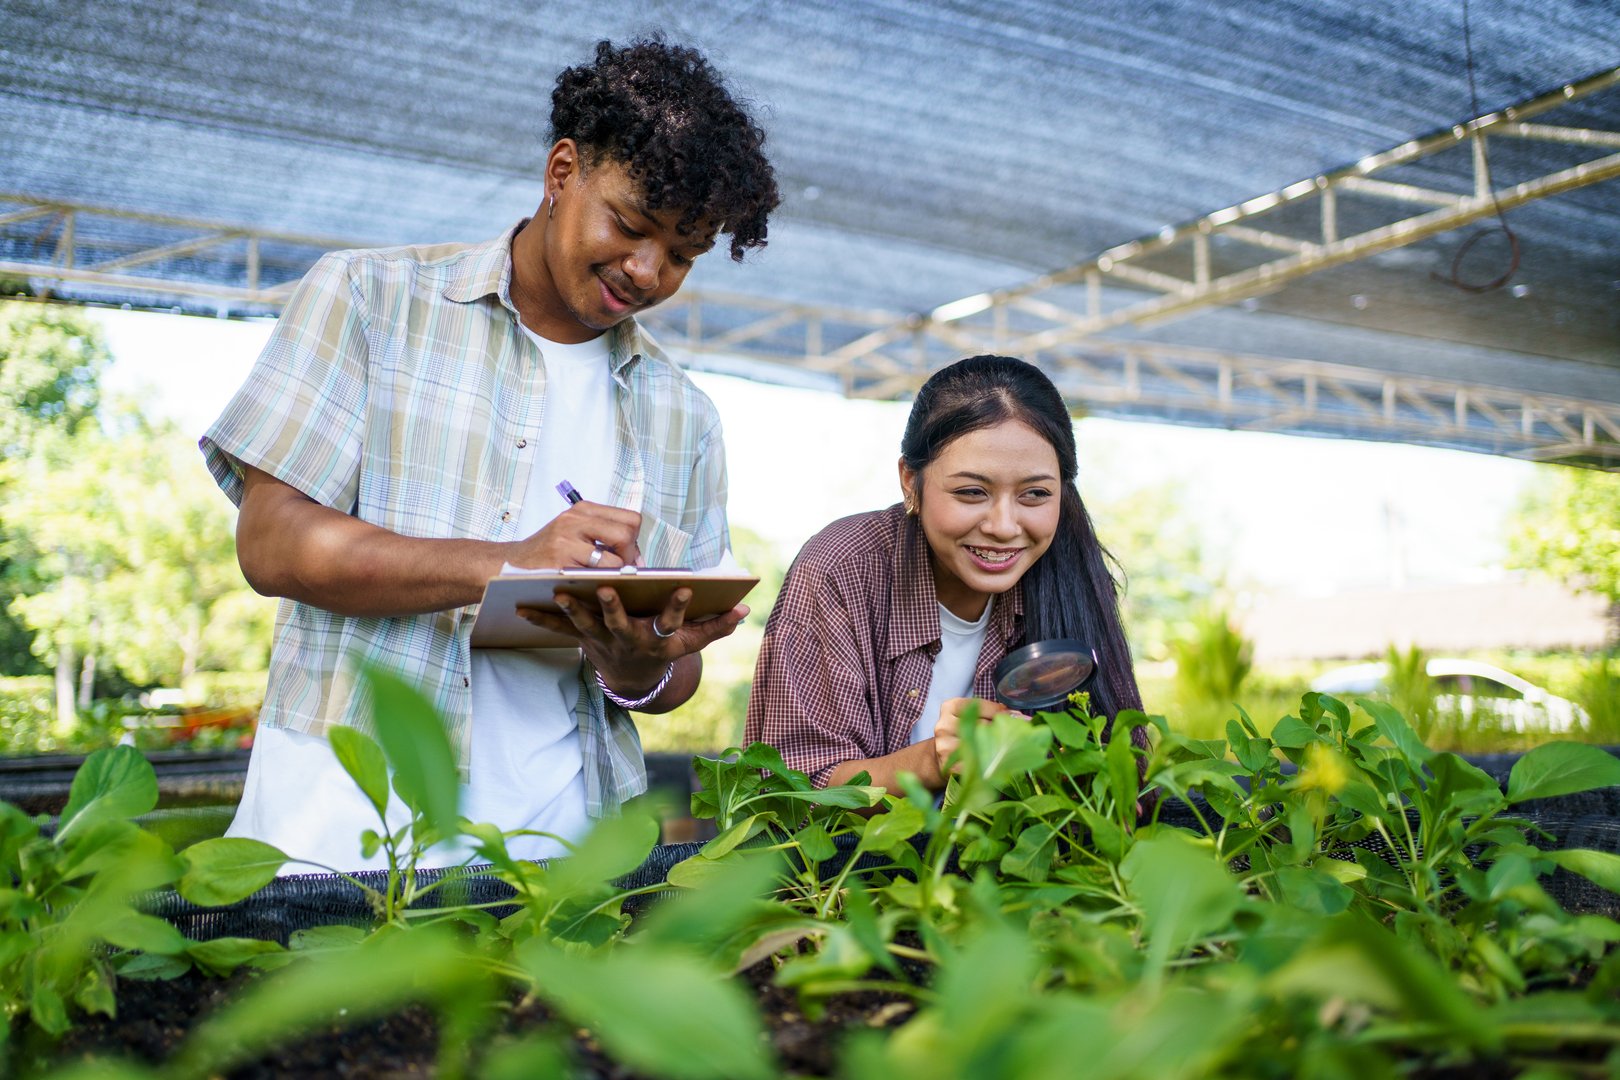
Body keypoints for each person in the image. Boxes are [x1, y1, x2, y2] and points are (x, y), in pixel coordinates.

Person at [200, 38, 780, 870]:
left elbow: (666, 682)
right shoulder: (371, 300)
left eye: (683, 255)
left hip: (558, 863)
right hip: (338, 847)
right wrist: (510, 564)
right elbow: (272, 543)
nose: (648, 271)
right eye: (628, 224)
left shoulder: (683, 413)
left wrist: (637, 661)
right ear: (561, 171)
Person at [745, 355, 1143, 794]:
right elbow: (790, 794)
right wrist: (934, 762)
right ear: (909, 482)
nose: (1005, 526)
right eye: (972, 492)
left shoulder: (1073, 578)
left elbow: (1110, 779)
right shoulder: (843, 568)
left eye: (1035, 494)